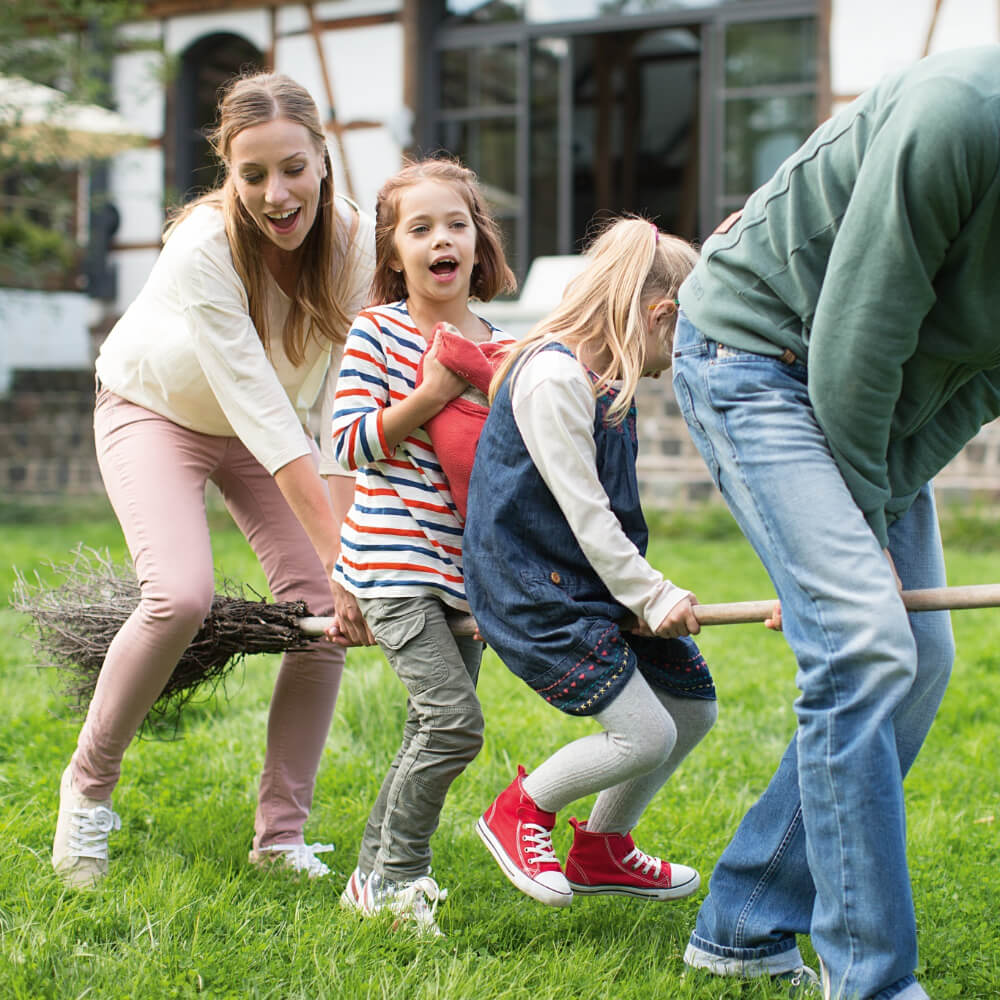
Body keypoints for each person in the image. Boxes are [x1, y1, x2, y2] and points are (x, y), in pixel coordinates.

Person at [671, 46, 1000, 1000]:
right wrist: (847, 555)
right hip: (756, 353)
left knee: (917, 660)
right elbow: (858, 342)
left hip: (882, 404)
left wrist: (864, 522)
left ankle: (742, 923)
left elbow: (980, 386)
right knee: (862, 645)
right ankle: (873, 983)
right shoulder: (955, 117)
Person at [51, 72, 376, 889]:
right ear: (228, 172)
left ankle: (280, 835)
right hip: (153, 409)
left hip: (260, 432)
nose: (277, 193)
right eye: (253, 173)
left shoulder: (353, 242)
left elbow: (341, 405)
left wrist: (348, 569)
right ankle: (87, 789)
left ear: (323, 156)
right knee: (179, 595)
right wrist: (346, 562)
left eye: (293, 168)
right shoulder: (201, 246)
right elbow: (268, 412)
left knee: (320, 617)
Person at [463, 218, 718, 911]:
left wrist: (639, 595)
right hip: (532, 588)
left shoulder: (605, 379)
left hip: (589, 582)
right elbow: (585, 514)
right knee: (645, 733)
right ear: (661, 315)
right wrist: (652, 592)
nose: (684, 354)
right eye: (687, 336)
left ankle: (603, 848)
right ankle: (518, 811)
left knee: (691, 711)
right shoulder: (555, 378)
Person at [330, 157, 516, 934]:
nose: (441, 238)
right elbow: (347, 444)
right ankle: (402, 878)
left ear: (478, 244)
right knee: (452, 724)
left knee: (426, 726)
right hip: (393, 561)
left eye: (456, 224)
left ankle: (370, 879)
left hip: (461, 572)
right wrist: (434, 394)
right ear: (393, 251)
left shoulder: (505, 348)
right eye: (420, 228)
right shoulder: (378, 331)